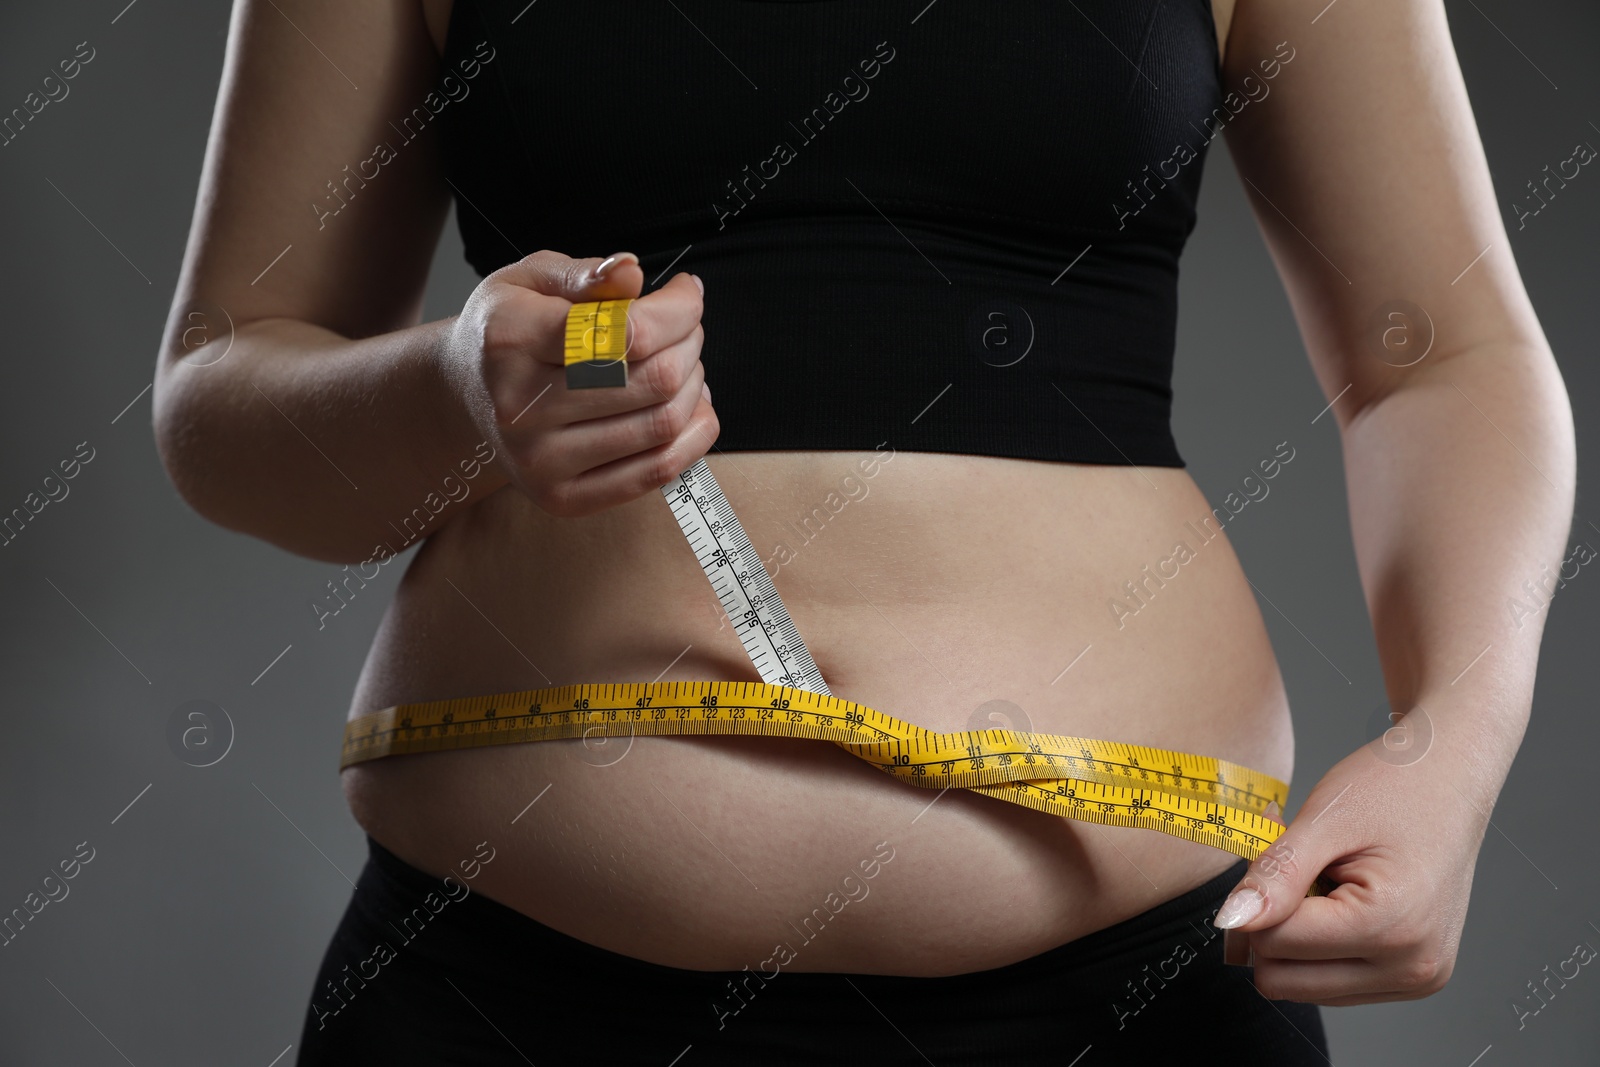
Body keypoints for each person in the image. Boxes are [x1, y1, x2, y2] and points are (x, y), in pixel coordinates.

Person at [152, 0, 1575, 1063]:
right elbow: (223, 393)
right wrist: (455, 387)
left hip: (1133, 1004)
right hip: (511, 997)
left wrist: (1453, 739)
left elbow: (1437, 357)